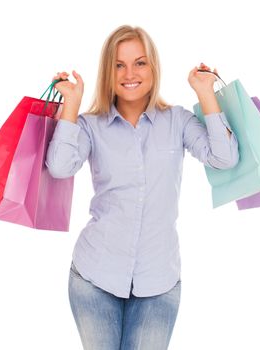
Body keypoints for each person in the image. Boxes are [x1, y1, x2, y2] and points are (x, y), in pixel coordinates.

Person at [45, 24, 239, 350]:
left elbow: (224, 158)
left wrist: (205, 93)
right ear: (108, 71)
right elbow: (60, 167)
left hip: (158, 282)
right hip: (95, 277)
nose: (129, 73)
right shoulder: (91, 126)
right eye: (119, 64)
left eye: (140, 62)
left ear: (153, 67)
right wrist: (71, 105)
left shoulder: (177, 121)